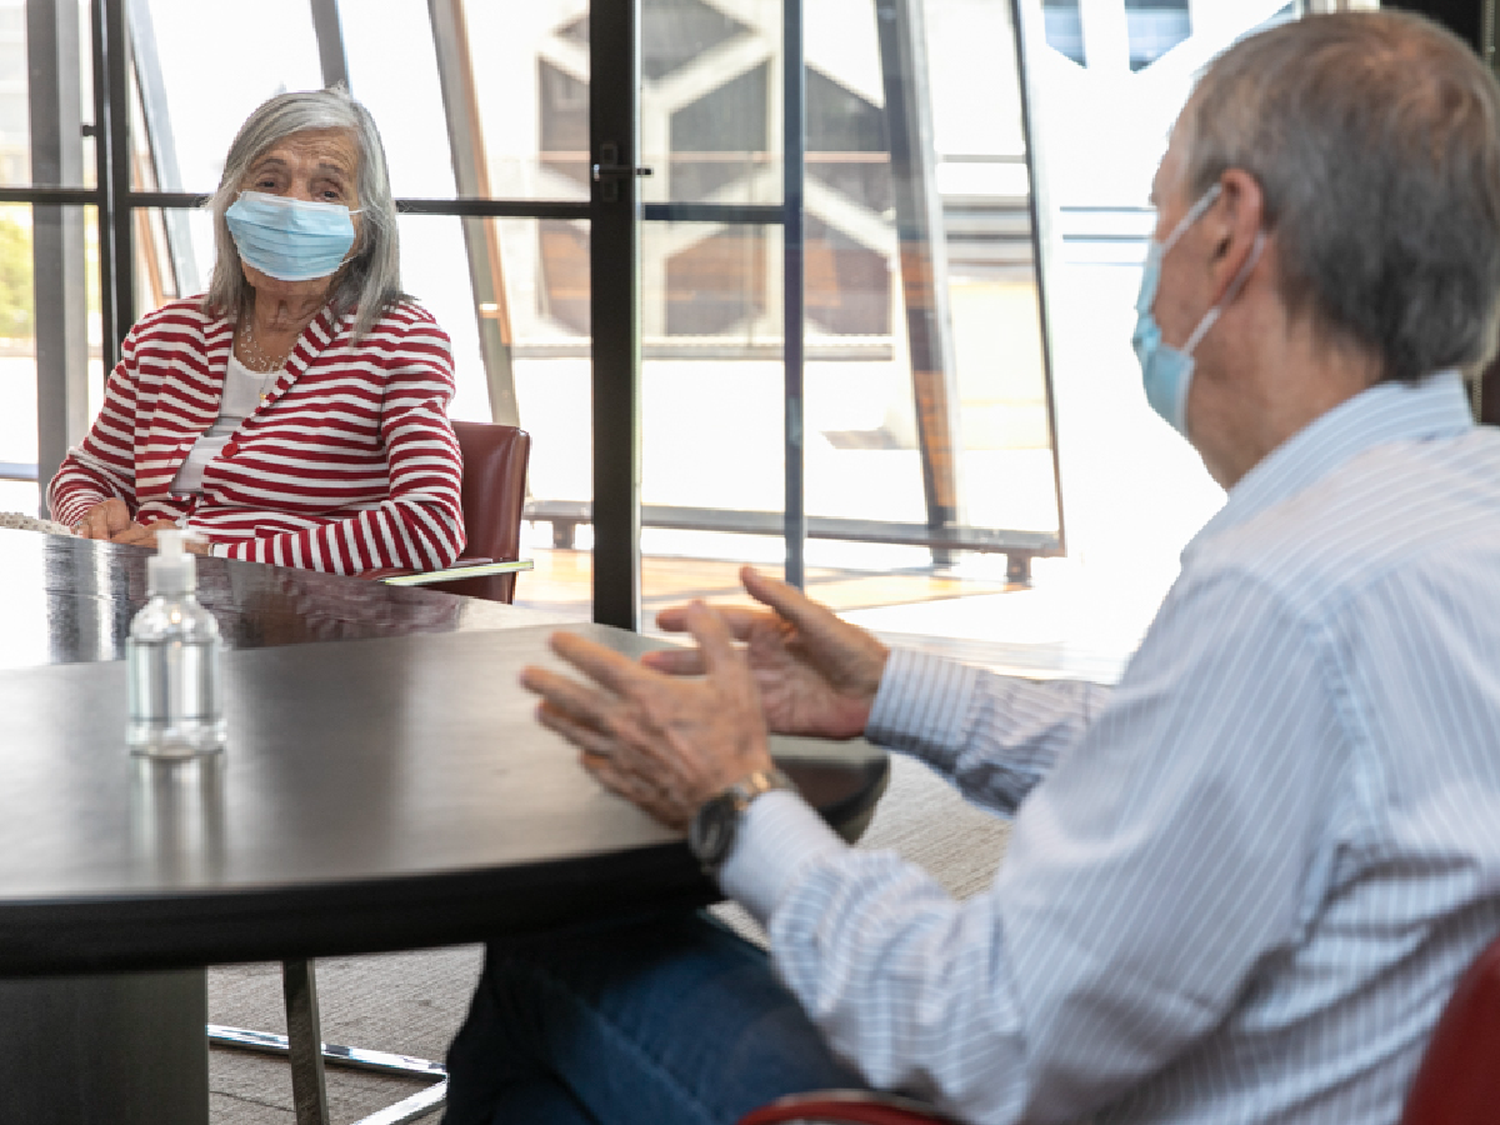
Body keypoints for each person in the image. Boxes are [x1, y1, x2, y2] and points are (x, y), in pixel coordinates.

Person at [445, 11, 1500, 1125]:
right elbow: (1193, 770)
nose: (1150, 267)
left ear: (1229, 232)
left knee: (555, 960)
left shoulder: (1285, 596)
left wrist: (735, 802)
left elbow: (973, 1028)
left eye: (1156, 216)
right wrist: (893, 690)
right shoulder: (1456, 512)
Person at [48, 87, 464, 575]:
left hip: (306, 623)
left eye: (328, 191)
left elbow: (429, 526)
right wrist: (96, 518)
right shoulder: (166, 335)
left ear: (365, 227)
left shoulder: (400, 340)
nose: (292, 208)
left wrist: (220, 557)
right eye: (269, 182)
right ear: (230, 201)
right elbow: (84, 475)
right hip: (158, 611)